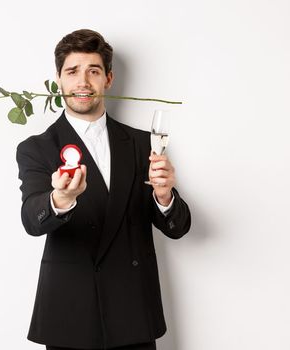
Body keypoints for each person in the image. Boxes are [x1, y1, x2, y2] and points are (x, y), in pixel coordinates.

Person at [15, 29, 192, 350]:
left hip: (133, 312)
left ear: (108, 79)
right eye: (72, 71)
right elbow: (31, 219)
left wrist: (164, 197)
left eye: (93, 71)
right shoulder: (37, 148)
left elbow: (178, 227)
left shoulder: (141, 143)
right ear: (58, 80)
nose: (83, 81)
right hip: (69, 315)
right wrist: (60, 199)